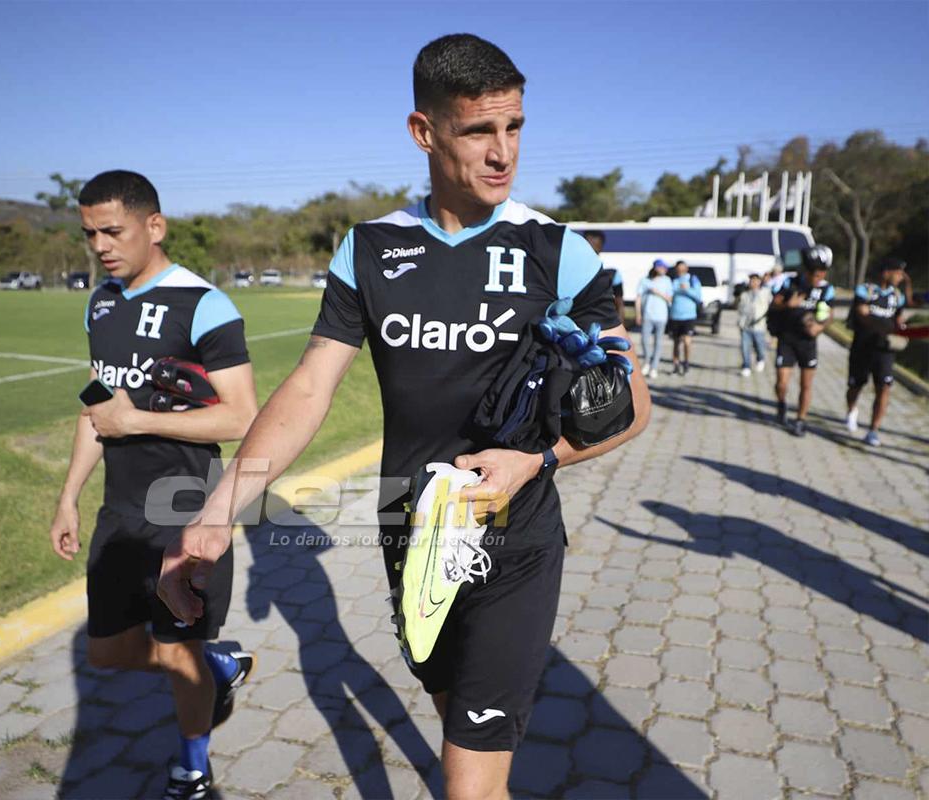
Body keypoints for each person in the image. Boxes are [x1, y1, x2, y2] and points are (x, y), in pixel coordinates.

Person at [157, 34, 651, 800]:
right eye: (479, 130)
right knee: (458, 728)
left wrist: (538, 460)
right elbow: (310, 388)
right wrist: (219, 510)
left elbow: (634, 405)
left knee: (468, 782)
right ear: (424, 131)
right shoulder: (370, 248)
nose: (503, 152)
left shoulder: (558, 252)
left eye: (514, 127)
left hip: (515, 539)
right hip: (409, 530)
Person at [48, 170, 259, 798]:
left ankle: (192, 767)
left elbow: (243, 417)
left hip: (184, 508)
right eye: (90, 234)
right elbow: (96, 405)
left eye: (113, 231)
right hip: (119, 510)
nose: (100, 246)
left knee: (176, 651)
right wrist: (68, 496)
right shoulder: (101, 302)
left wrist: (136, 420)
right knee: (107, 654)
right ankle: (216, 666)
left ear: (155, 226)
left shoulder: (204, 304)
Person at [771, 244, 835, 436]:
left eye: (823, 272)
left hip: (807, 342)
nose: (819, 276)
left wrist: (820, 327)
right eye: (816, 272)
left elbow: (830, 314)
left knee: (806, 384)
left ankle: (801, 420)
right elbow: (775, 303)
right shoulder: (791, 282)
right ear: (807, 271)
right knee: (782, 382)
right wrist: (787, 304)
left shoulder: (826, 289)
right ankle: (781, 403)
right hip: (787, 339)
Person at [845, 257, 908, 446]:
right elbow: (862, 314)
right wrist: (885, 325)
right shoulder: (865, 290)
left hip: (884, 349)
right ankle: (851, 409)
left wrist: (902, 328)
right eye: (898, 273)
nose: (901, 277)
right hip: (862, 347)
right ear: (886, 272)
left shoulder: (897, 296)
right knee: (855, 386)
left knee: (884, 387)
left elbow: (898, 319)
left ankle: (873, 430)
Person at [636, 259, 672, 378]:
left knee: (658, 342)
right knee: (644, 340)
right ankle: (646, 362)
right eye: (662, 267)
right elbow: (638, 298)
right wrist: (638, 314)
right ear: (656, 268)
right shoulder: (645, 280)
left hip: (661, 316)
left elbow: (670, 298)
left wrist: (656, 292)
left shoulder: (667, 281)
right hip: (647, 315)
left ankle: (654, 367)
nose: (665, 270)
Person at [667, 260, 702, 376]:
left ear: (687, 269)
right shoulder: (673, 280)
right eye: (679, 269)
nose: (681, 271)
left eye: (683, 268)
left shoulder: (693, 279)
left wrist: (687, 289)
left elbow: (698, 297)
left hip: (689, 316)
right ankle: (676, 365)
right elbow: (669, 296)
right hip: (675, 316)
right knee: (676, 342)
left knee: (687, 341)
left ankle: (686, 363)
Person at [583, 230, 625, 325]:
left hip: (603, 325)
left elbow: (619, 303)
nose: (589, 249)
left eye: (593, 245)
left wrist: (621, 326)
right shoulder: (573, 270)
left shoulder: (612, 273)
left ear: (600, 247)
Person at [737, 273, 770, 376]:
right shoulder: (745, 294)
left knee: (759, 345)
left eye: (756, 281)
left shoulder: (765, 293)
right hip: (745, 325)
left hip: (759, 325)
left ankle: (760, 359)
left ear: (759, 282)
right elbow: (740, 308)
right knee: (745, 347)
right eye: (752, 281)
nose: (754, 283)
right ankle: (746, 365)